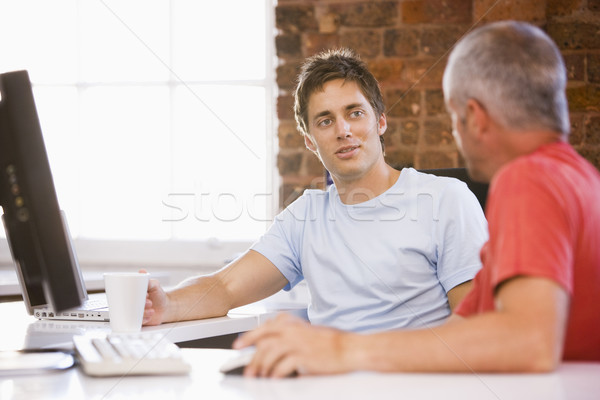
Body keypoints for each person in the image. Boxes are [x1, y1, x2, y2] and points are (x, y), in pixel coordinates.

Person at [233, 21, 600, 377]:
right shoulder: (580, 177)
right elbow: (474, 324)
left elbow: (529, 342)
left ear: (474, 117)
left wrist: (344, 349)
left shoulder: (527, 180)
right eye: (326, 121)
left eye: (454, 118)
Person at [142, 49, 487, 334]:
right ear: (310, 141)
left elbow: (473, 331)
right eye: (325, 121)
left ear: (380, 121)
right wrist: (167, 303)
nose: (343, 130)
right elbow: (227, 287)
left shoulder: (446, 200)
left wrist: (350, 355)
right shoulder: (305, 217)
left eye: (354, 113)